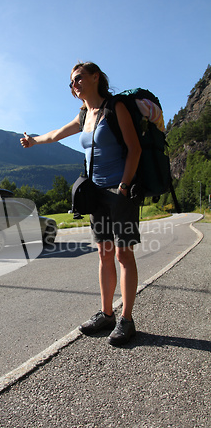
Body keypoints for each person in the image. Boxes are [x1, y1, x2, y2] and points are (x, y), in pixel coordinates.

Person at [20, 62, 142, 346]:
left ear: (95, 77)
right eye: (71, 82)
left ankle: (127, 320)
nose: (74, 85)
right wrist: (34, 141)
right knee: (104, 255)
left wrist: (124, 185)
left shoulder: (116, 107)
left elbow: (134, 148)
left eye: (78, 79)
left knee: (124, 256)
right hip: (96, 193)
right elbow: (56, 134)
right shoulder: (84, 114)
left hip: (120, 191)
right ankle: (107, 314)